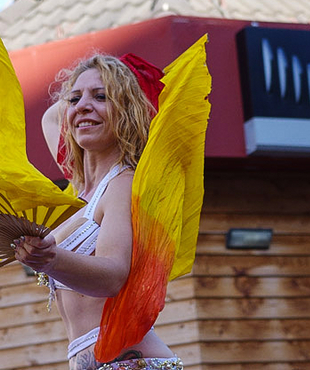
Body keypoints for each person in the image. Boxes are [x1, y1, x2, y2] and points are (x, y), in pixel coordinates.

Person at [13, 53, 183, 370]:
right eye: (75, 99)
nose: (82, 106)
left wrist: (50, 258)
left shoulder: (123, 184)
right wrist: (89, 89)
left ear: (127, 112)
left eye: (102, 97)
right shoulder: (79, 188)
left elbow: (113, 276)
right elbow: (51, 118)